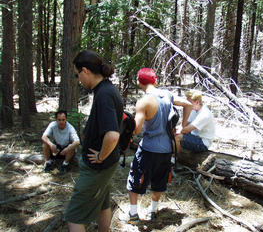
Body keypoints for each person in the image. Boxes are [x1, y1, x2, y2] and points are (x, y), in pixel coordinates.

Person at [65, 50, 123, 232]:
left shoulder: (104, 94)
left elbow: (112, 134)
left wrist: (100, 155)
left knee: (74, 216)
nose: (78, 79)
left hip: (98, 167)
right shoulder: (106, 89)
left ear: (85, 71)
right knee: (102, 204)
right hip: (105, 164)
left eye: (77, 74)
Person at [126, 68, 192, 221]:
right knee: (159, 182)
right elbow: (188, 104)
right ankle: (152, 211)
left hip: (148, 149)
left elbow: (136, 130)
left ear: (139, 82)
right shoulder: (167, 95)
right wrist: (183, 126)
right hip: (167, 150)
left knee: (135, 180)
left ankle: (133, 214)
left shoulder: (143, 102)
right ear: (155, 81)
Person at [42, 110, 80, 174]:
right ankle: (48, 163)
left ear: (66, 119)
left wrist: (67, 149)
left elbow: (77, 142)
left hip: (66, 150)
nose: (61, 122)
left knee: (72, 146)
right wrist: (51, 145)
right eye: (59, 120)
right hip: (56, 148)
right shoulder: (53, 125)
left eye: (63, 119)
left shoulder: (70, 127)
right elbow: (44, 137)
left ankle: (65, 165)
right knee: (45, 144)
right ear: (56, 119)